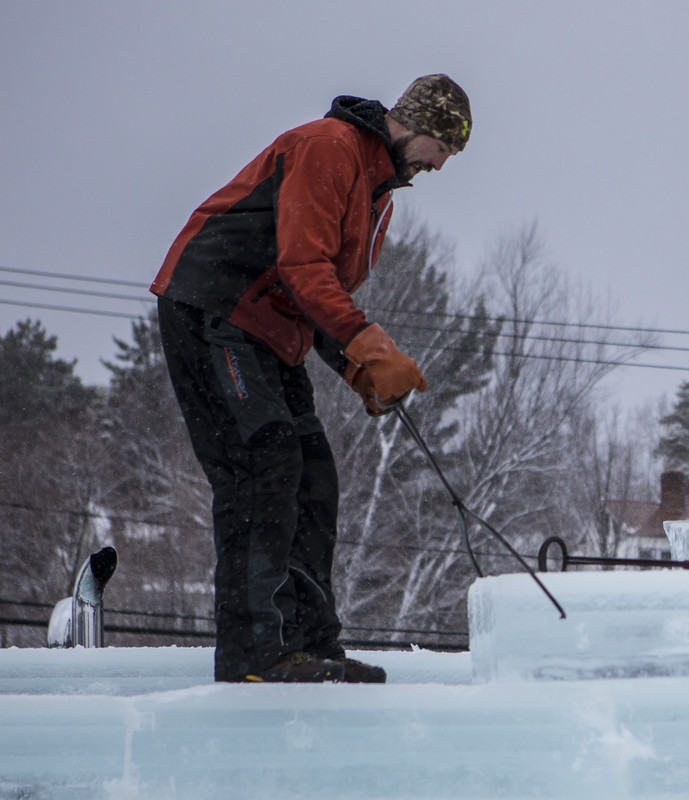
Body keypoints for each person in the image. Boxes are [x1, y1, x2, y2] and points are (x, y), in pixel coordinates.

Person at [150, 75, 472, 683]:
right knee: (263, 462)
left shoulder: (380, 197)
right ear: (418, 125)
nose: (442, 164)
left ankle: (307, 645)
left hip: (273, 333)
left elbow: (319, 294)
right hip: (216, 309)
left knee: (313, 475)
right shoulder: (331, 147)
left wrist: (356, 365)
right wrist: (367, 344)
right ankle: (252, 654)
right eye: (445, 148)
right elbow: (302, 267)